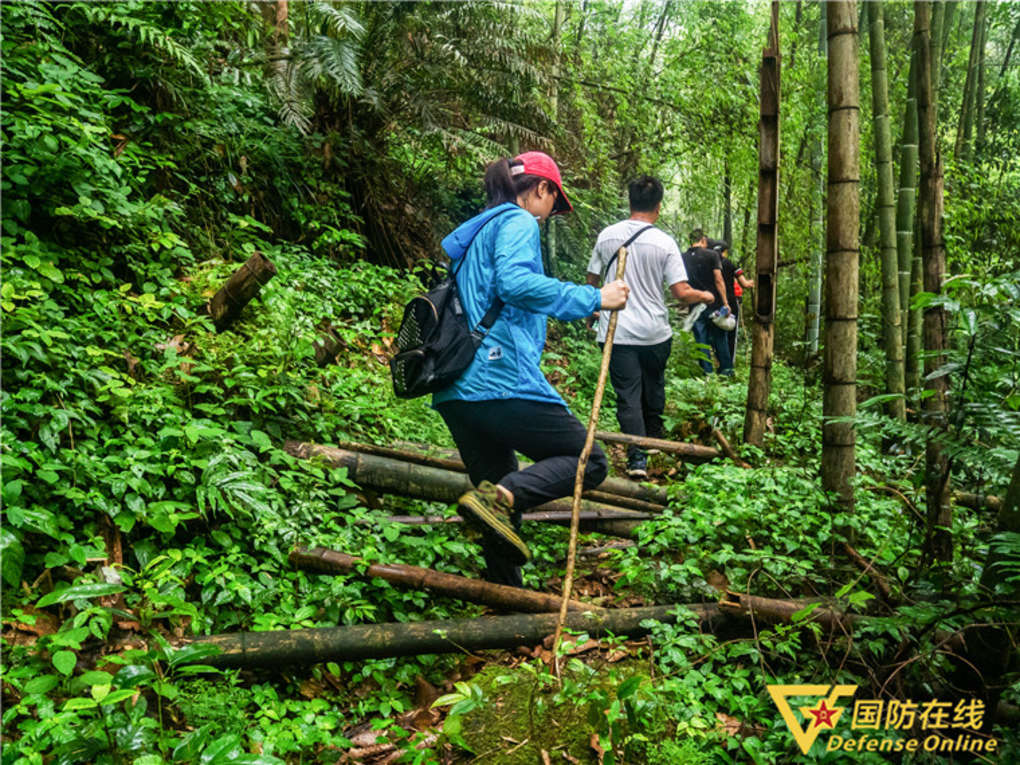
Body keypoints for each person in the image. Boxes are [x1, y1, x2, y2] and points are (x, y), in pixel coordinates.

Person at [434, 151, 630, 587]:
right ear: (541, 189)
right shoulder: (518, 221)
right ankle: (504, 496)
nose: (548, 217)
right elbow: (516, 284)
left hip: (456, 389)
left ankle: (508, 604)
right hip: (496, 377)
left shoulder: (479, 232)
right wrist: (594, 298)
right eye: (553, 205)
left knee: (494, 508)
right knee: (589, 461)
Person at [586, 176, 713, 478]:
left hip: (618, 333)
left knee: (628, 394)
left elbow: (592, 282)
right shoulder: (664, 242)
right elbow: (681, 292)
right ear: (658, 207)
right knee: (653, 385)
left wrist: (591, 313)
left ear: (629, 202)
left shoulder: (607, 236)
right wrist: (705, 295)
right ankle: (653, 439)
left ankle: (637, 459)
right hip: (655, 332)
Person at [682, 229, 733, 375]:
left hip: (694, 305)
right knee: (720, 337)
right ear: (703, 240)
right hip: (714, 304)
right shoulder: (712, 255)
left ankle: (707, 373)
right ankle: (726, 370)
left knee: (701, 339)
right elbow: (718, 279)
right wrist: (725, 302)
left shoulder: (683, 257)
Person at [708, 239, 754, 361]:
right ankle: (728, 365)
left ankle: (717, 360)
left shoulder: (709, 264)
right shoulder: (729, 263)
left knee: (716, 333)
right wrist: (752, 282)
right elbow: (744, 283)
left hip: (713, 303)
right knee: (731, 334)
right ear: (725, 251)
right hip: (730, 303)